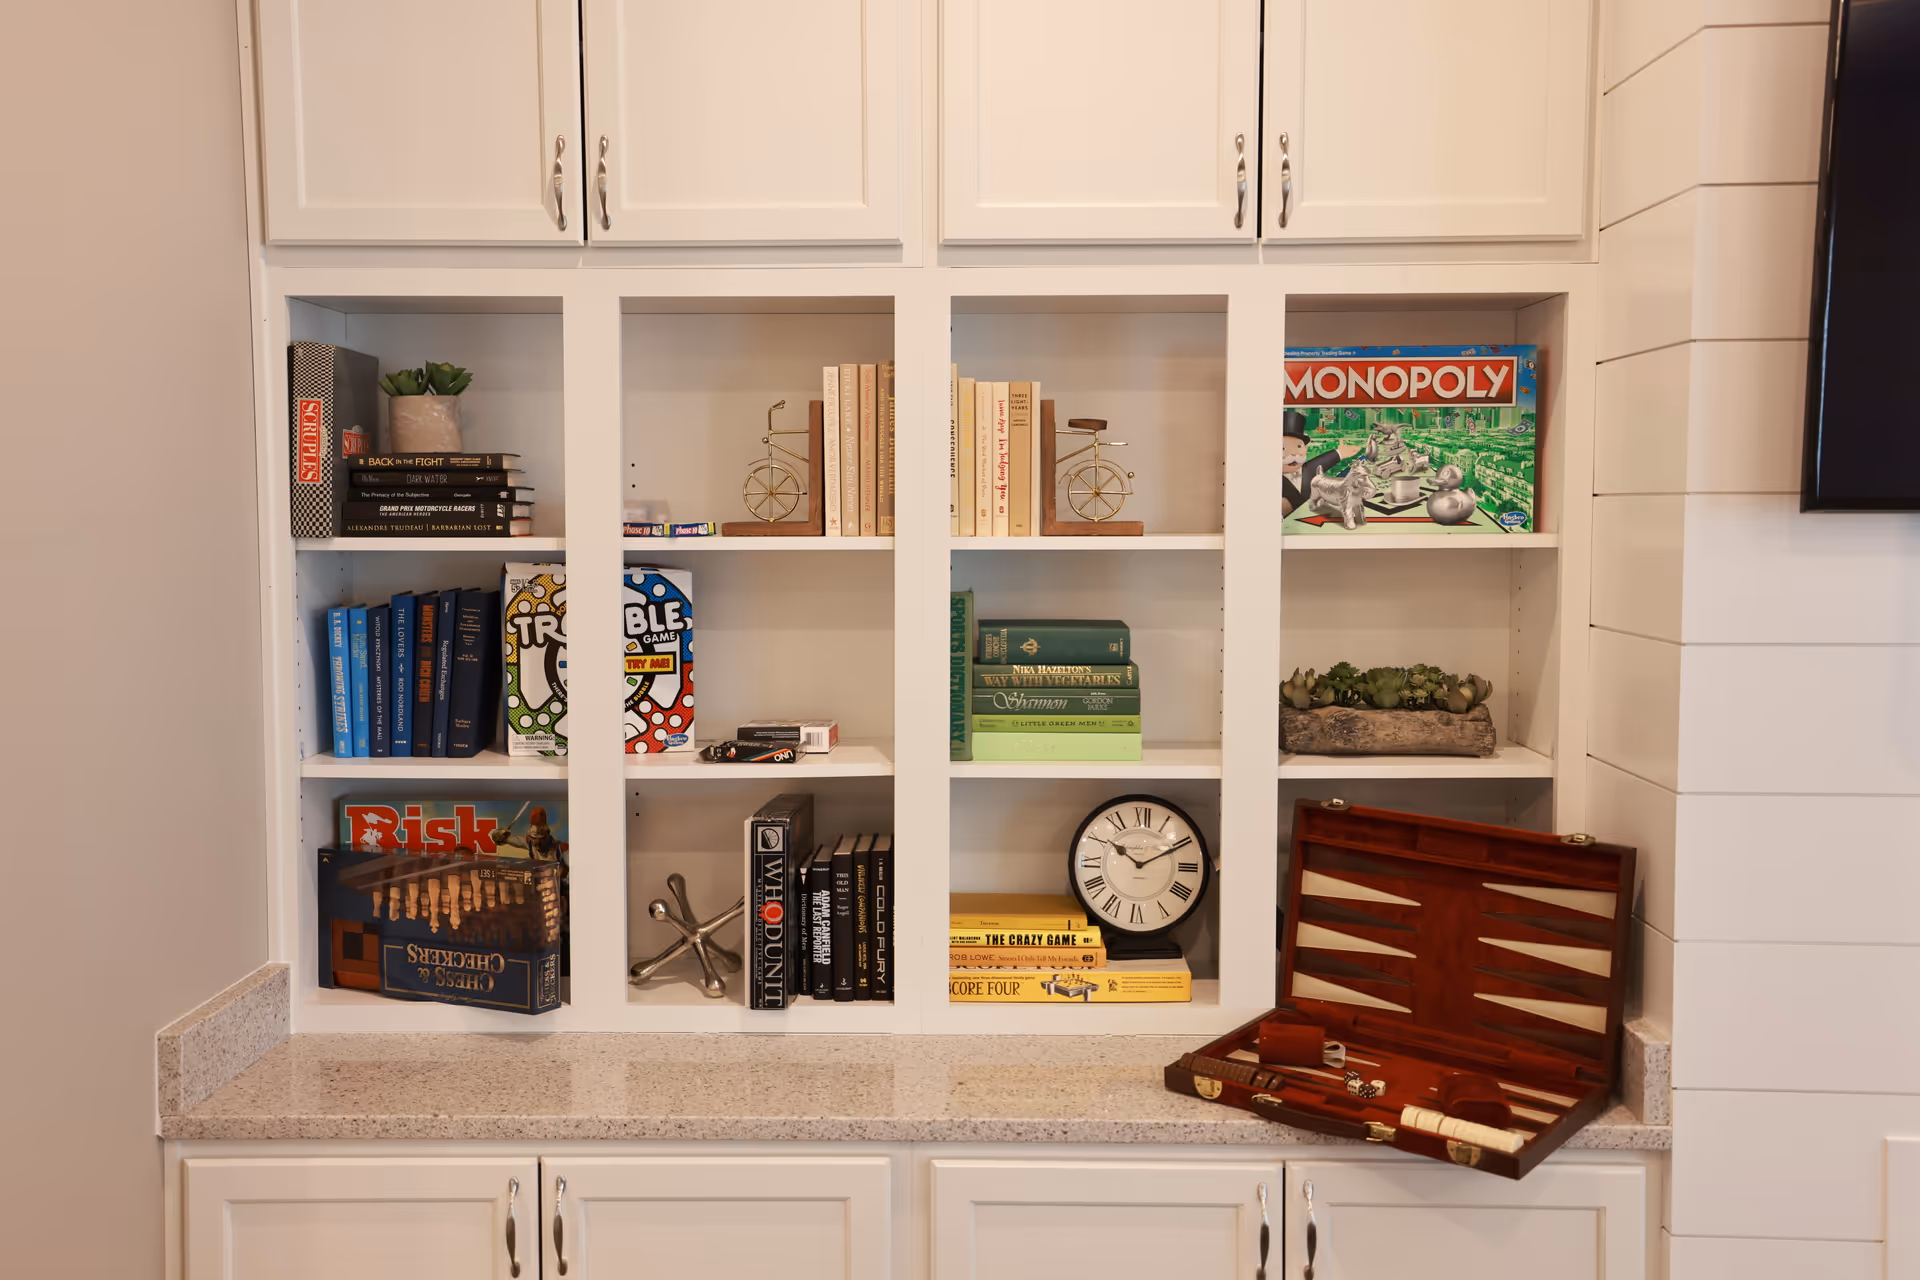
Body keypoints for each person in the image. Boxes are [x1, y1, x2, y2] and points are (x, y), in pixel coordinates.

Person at [1282, 411, 1362, 515]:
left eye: (1299, 446)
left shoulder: (1307, 470)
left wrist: (1341, 452)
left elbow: (1322, 462)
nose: (1294, 454)